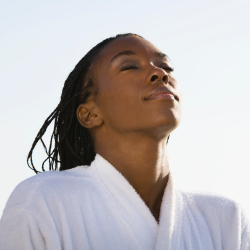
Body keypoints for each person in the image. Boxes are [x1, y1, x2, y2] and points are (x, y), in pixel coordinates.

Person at [0, 33, 249, 250]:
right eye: (130, 66)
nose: (160, 74)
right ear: (90, 114)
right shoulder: (42, 202)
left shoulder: (225, 220)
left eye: (168, 67)